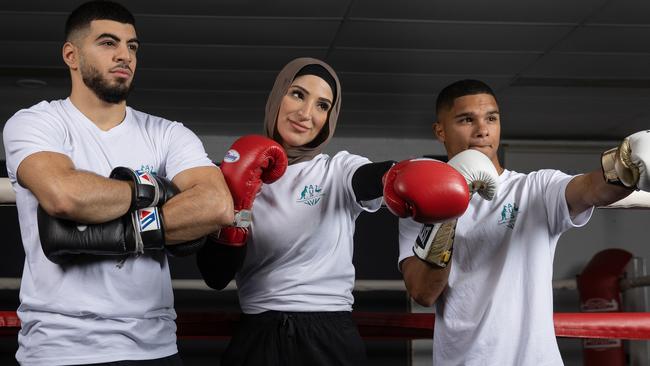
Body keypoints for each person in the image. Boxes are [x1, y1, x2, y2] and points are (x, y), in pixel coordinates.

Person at [196, 58, 484, 366]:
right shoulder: (235, 177)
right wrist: (239, 205)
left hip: (326, 335)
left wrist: (397, 176)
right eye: (297, 94)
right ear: (277, 96)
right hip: (257, 333)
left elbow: (368, 178)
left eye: (322, 106)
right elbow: (216, 275)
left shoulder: (337, 169)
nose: (306, 114)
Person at [2, 1, 234, 365]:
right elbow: (66, 196)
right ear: (71, 55)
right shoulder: (36, 123)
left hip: (154, 346)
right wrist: (157, 191)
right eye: (108, 43)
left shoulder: (168, 133)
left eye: (132, 46)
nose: (124, 55)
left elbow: (216, 205)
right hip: (60, 347)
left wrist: (113, 228)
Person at [398, 79, 650, 365]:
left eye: (491, 118)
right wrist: (448, 210)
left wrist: (624, 168)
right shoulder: (421, 205)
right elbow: (424, 293)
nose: (482, 130)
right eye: (467, 119)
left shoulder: (535, 189)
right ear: (440, 130)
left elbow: (591, 189)